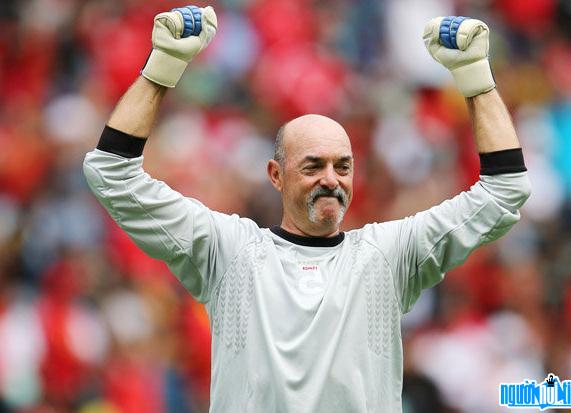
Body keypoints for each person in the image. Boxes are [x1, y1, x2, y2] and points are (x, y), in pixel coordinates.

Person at [83, 6, 530, 412]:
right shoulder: (228, 250)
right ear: (276, 175)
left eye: (343, 166)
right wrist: (162, 66)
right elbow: (111, 174)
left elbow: (505, 191)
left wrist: (476, 78)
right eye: (313, 166)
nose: (331, 180)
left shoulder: (389, 255)